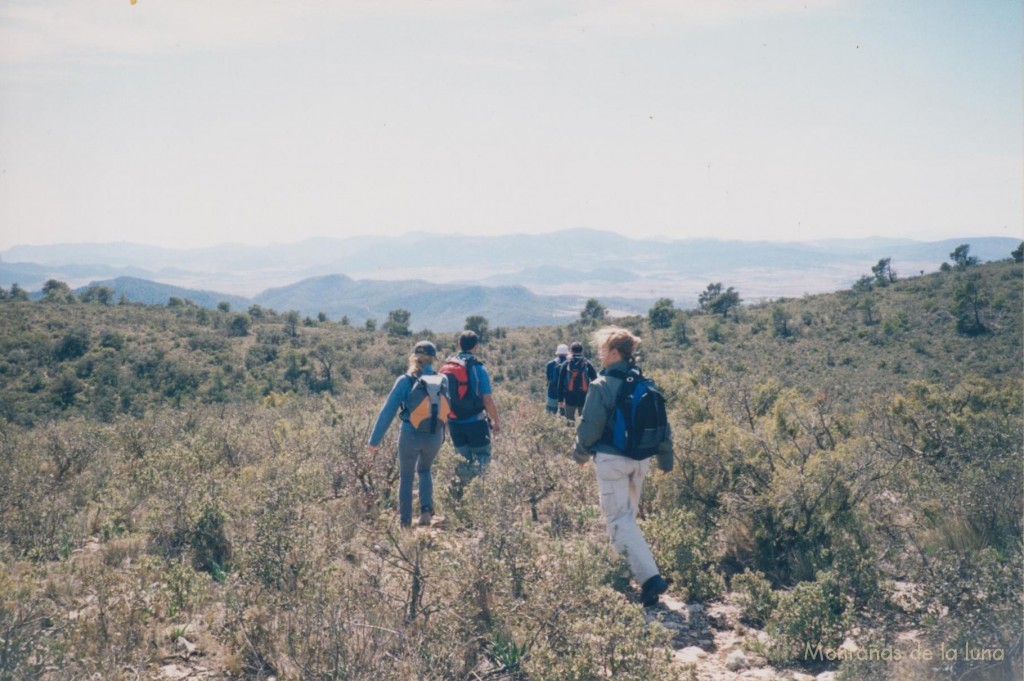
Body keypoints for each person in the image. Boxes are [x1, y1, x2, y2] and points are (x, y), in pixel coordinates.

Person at [572, 326, 674, 606]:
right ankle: (619, 573)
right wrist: (666, 459)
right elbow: (664, 426)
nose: (600, 355)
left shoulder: (602, 385)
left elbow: (590, 428)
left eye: (603, 350)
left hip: (612, 461)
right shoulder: (645, 383)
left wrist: (579, 456)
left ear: (615, 353)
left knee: (618, 519)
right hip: (641, 461)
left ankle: (651, 579)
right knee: (626, 518)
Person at [367, 340, 448, 527]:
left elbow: (387, 412)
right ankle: (426, 512)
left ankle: (405, 522)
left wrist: (374, 441)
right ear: (433, 359)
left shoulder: (405, 380)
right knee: (425, 469)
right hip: (434, 435)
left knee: (406, 477)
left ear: (413, 357)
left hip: (409, 435)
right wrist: (442, 434)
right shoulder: (443, 380)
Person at [444, 330, 501, 475]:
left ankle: (462, 493)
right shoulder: (478, 368)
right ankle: (478, 494)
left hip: (454, 423)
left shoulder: (446, 367)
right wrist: (496, 421)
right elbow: (487, 399)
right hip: (476, 422)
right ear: (476, 346)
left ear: (458, 345)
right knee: (482, 458)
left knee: (462, 462)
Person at [557, 341, 597, 424]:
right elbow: (595, 380)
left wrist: (561, 400)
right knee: (584, 422)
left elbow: (560, 383)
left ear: (571, 351)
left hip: (569, 396)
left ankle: (570, 435)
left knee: (569, 421)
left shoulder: (566, 364)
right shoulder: (586, 363)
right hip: (584, 397)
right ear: (582, 351)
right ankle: (582, 436)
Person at [545, 343, 570, 414]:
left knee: (550, 414)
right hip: (565, 393)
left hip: (552, 391)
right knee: (565, 415)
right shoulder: (570, 363)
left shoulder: (550, 364)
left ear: (557, 353)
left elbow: (548, 378)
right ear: (566, 353)